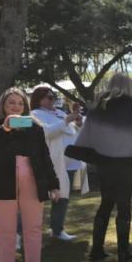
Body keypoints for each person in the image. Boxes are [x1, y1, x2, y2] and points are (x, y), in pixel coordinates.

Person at [68, 73, 132, 262]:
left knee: (106, 203)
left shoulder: (99, 107)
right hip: (126, 165)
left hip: (104, 164)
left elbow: (89, 133)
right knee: (123, 206)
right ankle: (123, 252)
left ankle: (96, 250)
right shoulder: (129, 107)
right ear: (128, 86)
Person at [0, 88, 60, 262]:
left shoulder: (35, 127)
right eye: (11, 103)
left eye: (20, 103)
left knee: (33, 228)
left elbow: (44, 157)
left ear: (26, 107)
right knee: (5, 230)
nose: (15, 107)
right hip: (2, 183)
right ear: (3, 106)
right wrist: (4, 130)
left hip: (32, 181)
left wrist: (53, 184)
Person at [30, 86, 81, 241]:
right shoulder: (35, 115)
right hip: (51, 163)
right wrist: (67, 120)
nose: (53, 100)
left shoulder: (59, 112)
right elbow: (46, 133)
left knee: (63, 197)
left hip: (70, 163)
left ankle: (57, 230)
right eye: (49, 97)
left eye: (54, 97)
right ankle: (24, 232)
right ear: (39, 99)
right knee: (36, 199)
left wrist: (77, 123)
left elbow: (72, 131)